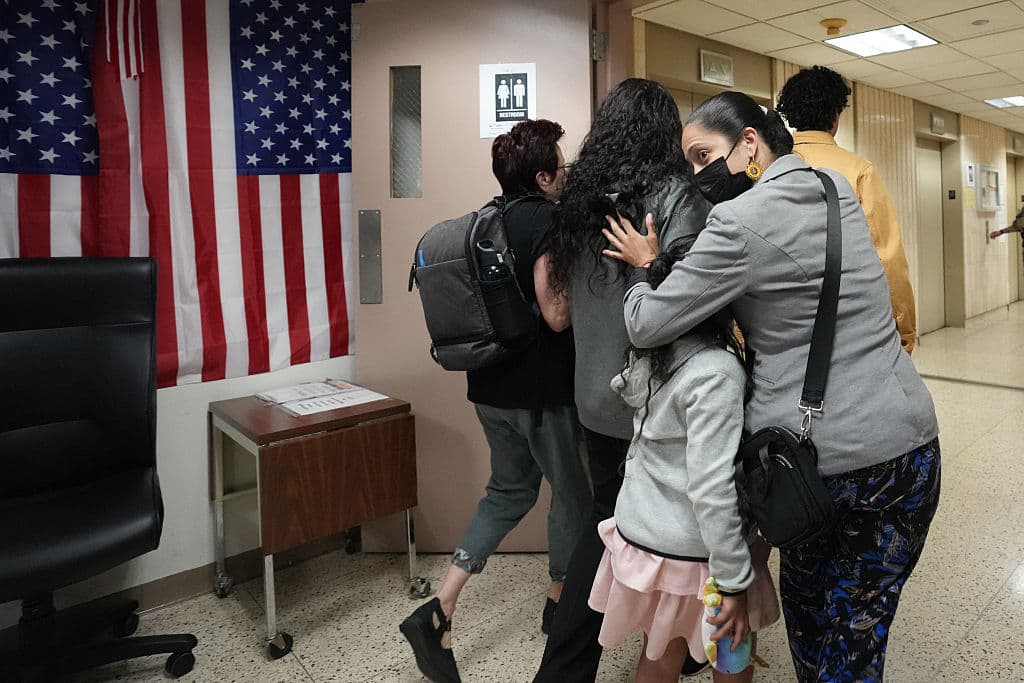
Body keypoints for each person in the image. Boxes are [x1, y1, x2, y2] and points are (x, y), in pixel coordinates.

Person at [603, 91, 941, 682]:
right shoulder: (835, 187)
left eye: (703, 154)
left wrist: (643, 266)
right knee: (861, 630)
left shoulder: (736, 222)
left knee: (817, 637)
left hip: (825, 468)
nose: (697, 174)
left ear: (750, 142)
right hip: (910, 451)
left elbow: (646, 323)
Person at [400, 119, 591, 683]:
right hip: (544, 394)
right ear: (543, 177)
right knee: (573, 496)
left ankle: (441, 606)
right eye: (559, 166)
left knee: (507, 492)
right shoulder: (547, 221)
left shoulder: (487, 219)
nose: (564, 174)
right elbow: (556, 314)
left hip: (489, 390)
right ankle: (559, 601)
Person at [533, 78, 709, 683]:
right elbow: (693, 294)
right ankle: (651, 653)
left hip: (594, 397)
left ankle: (663, 651)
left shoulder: (580, 198)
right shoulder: (677, 196)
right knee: (669, 530)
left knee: (611, 522)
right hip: (654, 403)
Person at [587, 235, 780, 683]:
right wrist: (733, 580)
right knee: (732, 655)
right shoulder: (716, 372)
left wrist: (645, 267)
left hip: (647, 540)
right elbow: (712, 488)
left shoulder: (653, 352)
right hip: (699, 556)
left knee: (660, 653)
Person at [777, 65, 918, 353]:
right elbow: (887, 257)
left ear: (790, 115)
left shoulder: (770, 168)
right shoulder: (858, 171)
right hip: (846, 323)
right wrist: (904, 331)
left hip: (780, 323)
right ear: (835, 116)